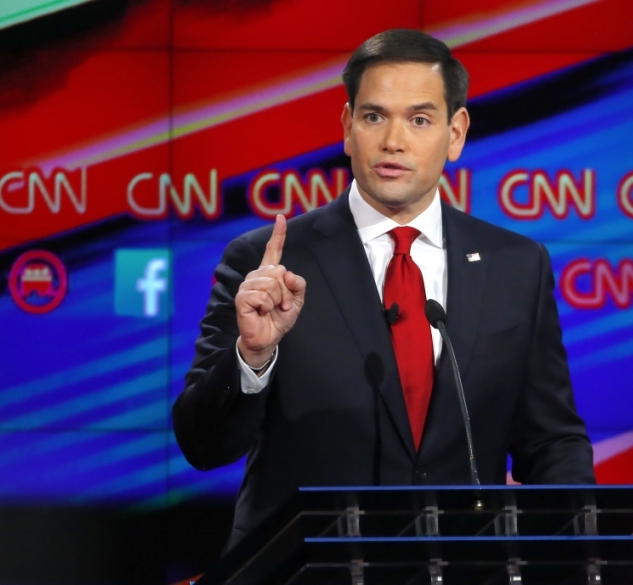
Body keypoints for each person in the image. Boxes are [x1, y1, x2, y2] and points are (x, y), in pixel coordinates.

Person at [173, 28, 594, 552]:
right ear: (348, 128)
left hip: (456, 565)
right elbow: (203, 445)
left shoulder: (516, 266)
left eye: (419, 120)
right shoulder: (268, 262)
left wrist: (581, 549)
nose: (393, 140)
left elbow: (550, 439)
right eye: (374, 117)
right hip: (303, 566)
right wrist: (252, 358)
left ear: (456, 133)